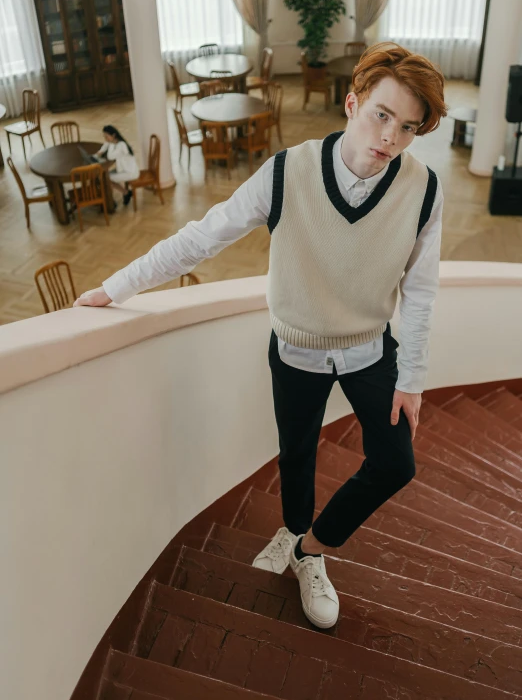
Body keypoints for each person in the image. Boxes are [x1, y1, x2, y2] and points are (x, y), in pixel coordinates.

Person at [74, 43, 447, 631]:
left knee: (396, 463)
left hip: (371, 348)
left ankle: (311, 552)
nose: (390, 138)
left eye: (407, 127)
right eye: (381, 115)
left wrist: (414, 378)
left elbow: (421, 290)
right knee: (297, 454)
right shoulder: (287, 172)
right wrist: (115, 287)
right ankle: (296, 533)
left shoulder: (423, 188)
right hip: (296, 348)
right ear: (352, 103)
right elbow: (200, 239)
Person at [96, 125, 140, 206]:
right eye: (104, 136)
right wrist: (100, 152)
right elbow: (106, 145)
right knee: (103, 176)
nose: (105, 139)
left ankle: (112, 201)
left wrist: (110, 144)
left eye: (107, 136)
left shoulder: (121, 145)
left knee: (106, 179)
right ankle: (125, 193)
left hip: (129, 172)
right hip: (122, 169)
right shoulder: (115, 141)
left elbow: (110, 156)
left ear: (113, 135)